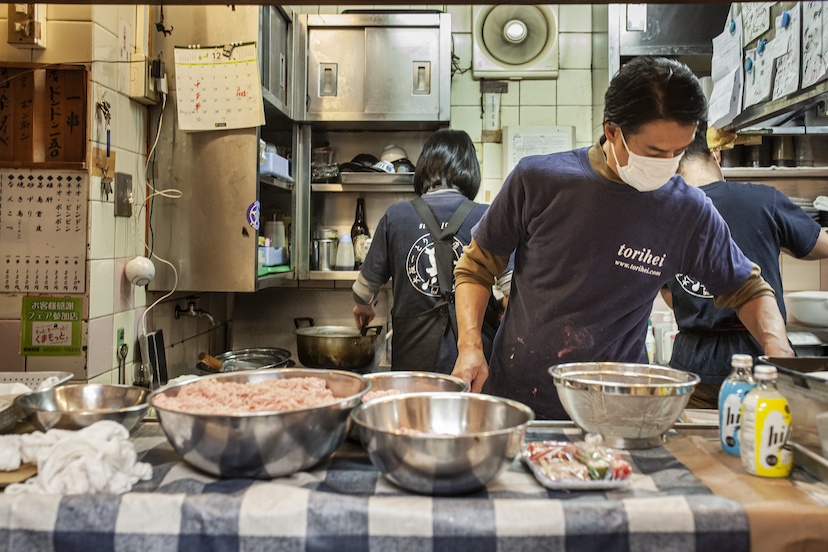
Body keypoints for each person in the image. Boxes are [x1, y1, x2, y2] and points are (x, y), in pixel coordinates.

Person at [450, 56, 794, 420]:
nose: (670, 164)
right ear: (612, 130)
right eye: (656, 153)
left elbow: (748, 288)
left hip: (618, 409)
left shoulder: (688, 210)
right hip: (521, 403)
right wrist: (470, 344)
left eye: (680, 151)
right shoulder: (539, 180)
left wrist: (778, 347)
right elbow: (476, 267)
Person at [662, 125, 828, 408]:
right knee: (763, 438)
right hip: (759, 358)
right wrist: (773, 239)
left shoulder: (667, 212)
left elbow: (668, 294)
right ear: (716, 155)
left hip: (691, 368)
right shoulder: (762, 199)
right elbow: (820, 246)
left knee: (697, 445)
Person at [352, 129, 510, 373]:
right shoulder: (487, 216)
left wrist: (364, 306)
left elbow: (363, 290)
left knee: (413, 412)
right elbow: (513, 291)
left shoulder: (396, 216)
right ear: (469, 171)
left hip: (413, 365)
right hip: (473, 367)